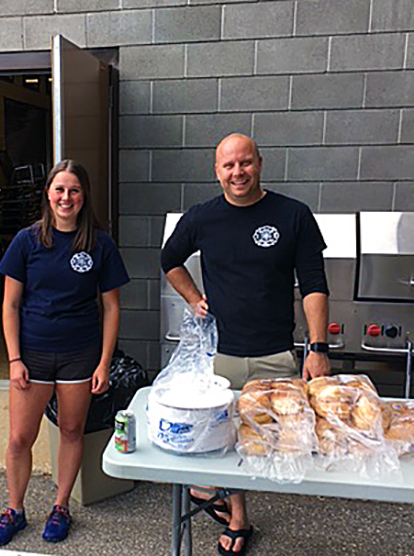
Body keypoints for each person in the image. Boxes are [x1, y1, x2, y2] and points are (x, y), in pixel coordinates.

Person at [161, 133, 330, 556]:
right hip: (222, 356)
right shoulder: (203, 217)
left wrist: (318, 347)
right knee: (224, 439)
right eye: (228, 166)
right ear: (216, 171)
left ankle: (212, 493)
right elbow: (169, 259)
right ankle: (238, 515)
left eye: (245, 163)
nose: (238, 172)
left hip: (276, 353)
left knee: (284, 439)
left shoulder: (293, 215)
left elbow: (313, 284)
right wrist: (193, 297)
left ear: (260, 162)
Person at [0, 159, 129, 546]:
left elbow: (112, 307)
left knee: (70, 430)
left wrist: (103, 362)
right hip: (32, 356)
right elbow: (10, 305)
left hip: (78, 356)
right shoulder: (27, 241)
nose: (66, 197)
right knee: (19, 438)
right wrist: (14, 359)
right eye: (60, 189)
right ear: (48, 194)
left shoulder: (99, 244)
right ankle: (14, 510)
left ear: (84, 197)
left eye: (74, 190)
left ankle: (61, 505)